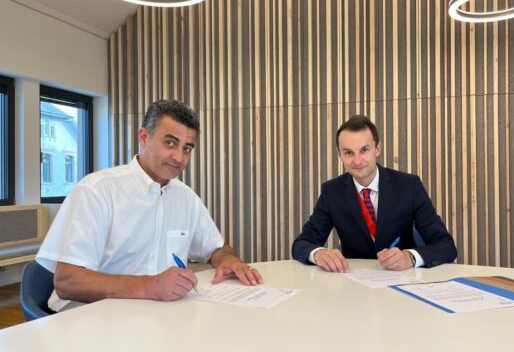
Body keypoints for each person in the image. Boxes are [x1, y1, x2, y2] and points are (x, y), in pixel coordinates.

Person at [36, 100, 263, 312]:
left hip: (155, 317)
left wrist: (227, 259)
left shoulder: (186, 198)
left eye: (187, 148)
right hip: (89, 320)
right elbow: (68, 281)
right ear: (144, 137)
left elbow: (215, 248)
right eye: (170, 143)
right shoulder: (96, 191)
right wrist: (150, 286)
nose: (179, 158)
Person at [292, 115, 457, 272]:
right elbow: (301, 243)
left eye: (364, 150)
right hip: (353, 282)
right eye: (348, 152)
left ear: (377, 149)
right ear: (339, 154)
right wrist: (318, 254)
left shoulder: (409, 186)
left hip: (403, 279)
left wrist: (411, 257)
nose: (357, 161)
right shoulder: (332, 192)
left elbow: (446, 246)